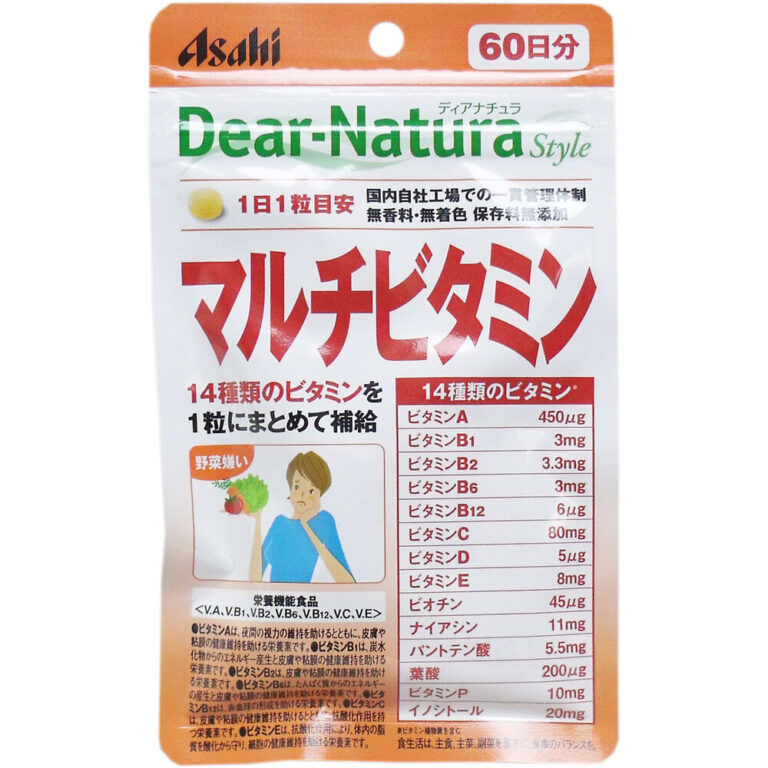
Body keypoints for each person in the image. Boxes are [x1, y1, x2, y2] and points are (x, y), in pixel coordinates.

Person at [236, 451, 354, 583]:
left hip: (307, 594)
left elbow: (348, 582)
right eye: (297, 487)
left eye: (311, 490)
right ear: (290, 489)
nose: (302, 495)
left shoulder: (324, 521)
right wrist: (258, 521)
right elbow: (255, 578)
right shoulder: (280, 523)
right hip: (275, 595)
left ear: (319, 494)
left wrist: (306, 524)